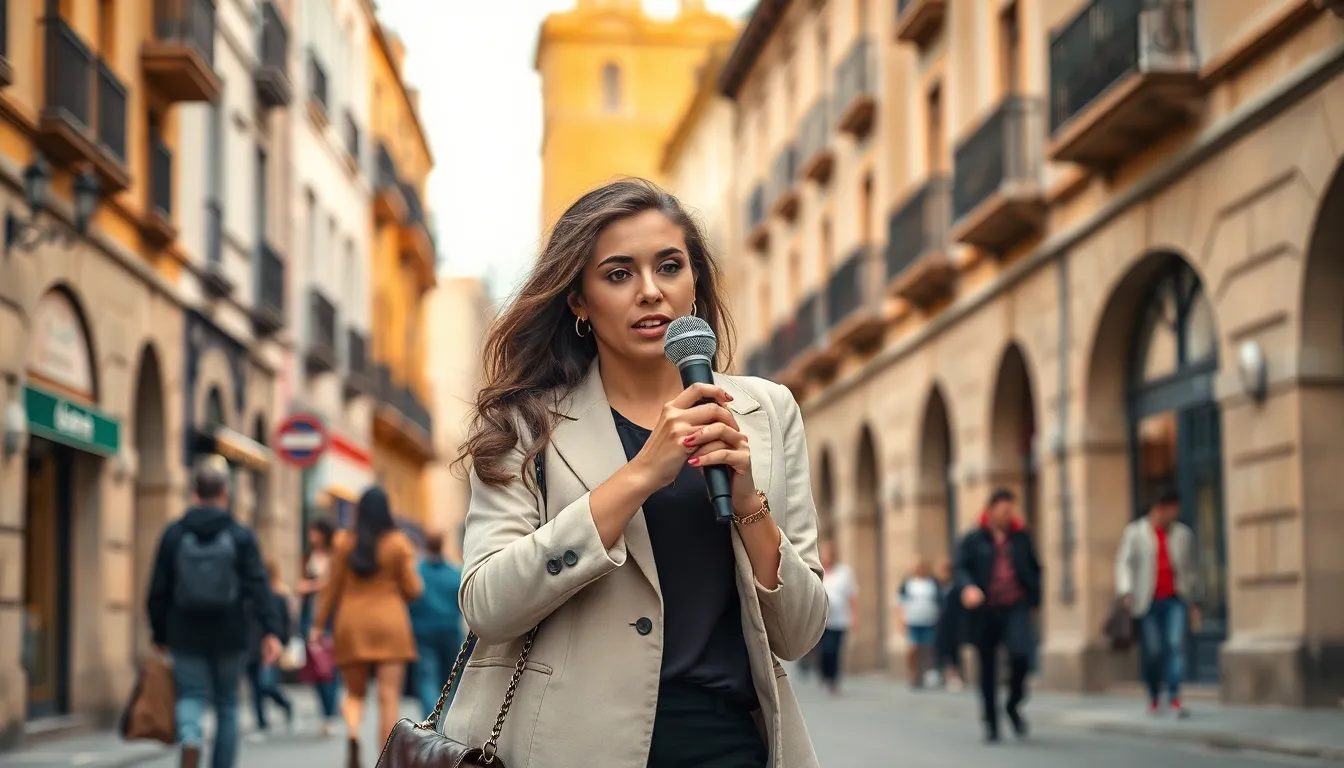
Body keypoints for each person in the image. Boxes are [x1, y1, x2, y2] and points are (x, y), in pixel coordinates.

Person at [444, 178, 828, 768]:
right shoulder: (525, 423)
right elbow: (488, 606)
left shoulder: (768, 412)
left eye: (669, 267)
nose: (651, 291)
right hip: (571, 748)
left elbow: (799, 633)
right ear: (579, 300)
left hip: (729, 745)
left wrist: (750, 504)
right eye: (619, 274)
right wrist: (641, 474)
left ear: (695, 283)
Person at [146, 454, 282, 768]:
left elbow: (157, 589)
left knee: (191, 695)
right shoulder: (240, 535)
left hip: (184, 632)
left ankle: (191, 740)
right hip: (230, 633)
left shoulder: (174, 533)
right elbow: (259, 585)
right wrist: (271, 630)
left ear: (194, 493)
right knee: (227, 704)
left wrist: (159, 633)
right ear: (225, 493)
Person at [312, 487, 424, 768]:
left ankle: (352, 731)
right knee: (388, 697)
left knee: (354, 693)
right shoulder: (398, 543)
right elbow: (413, 589)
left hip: (351, 624)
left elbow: (331, 588)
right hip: (390, 624)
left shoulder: (343, 542)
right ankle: (386, 760)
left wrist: (318, 625)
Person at [954, 488, 1042, 743]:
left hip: (1015, 606)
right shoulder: (974, 539)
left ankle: (1013, 703)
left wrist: (1034, 600)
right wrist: (968, 587)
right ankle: (991, 721)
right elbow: (961, 568)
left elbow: (1035, 569)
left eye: (1010, 510)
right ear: (991, 510)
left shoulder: (1021, 537)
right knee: (988, 667)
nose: (1007, 515)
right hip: (985, 609)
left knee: (1021, 655)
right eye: (1002, 510)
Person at [1115, 486, 1201, 717]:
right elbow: (1124, 563)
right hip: (1148, 601)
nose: (1174, 513)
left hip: (1175, 599)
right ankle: (1154, 695)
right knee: (1153, 651)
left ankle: (1174, 697)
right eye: (1171, 508)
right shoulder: (1136, 532)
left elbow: (1191, 569)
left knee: (1174, 645)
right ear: (1158, 509)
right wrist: (1126, 590)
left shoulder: (1183, 534)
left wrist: (1194, 601)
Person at [408, 529, 464, 717]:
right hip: (449, 629)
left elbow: (411, 599)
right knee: (451, 678)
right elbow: (461, 602)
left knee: (426, 677)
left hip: (422, 630)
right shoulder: (454, 572)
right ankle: (449, 718)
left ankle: (430, 719)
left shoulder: (417, 572)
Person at [296, 518, 340, 736]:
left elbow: (334, 585)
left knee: (329, 666)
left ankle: (330, 712)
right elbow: (301, 583)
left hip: (331, 616)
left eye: (314, 531)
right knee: (315, 665)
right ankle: (326, 710)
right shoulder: (308, 556)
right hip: (310, 615)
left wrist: (312, 585)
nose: (311, 536)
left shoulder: (336, 556)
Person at [245, 561, 294, 740]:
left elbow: (284, 622)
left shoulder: (278, 597)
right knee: (255, 688)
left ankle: (285, 704)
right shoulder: (248, 596)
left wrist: (283, 641)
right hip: (249, 647)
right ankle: (261, 723)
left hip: (268, 648)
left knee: (265, 684)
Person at [818, 539, 857, 695]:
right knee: (824, 650)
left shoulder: (844, 572)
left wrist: (854, 616)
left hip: (840, 619)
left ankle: (833, 679)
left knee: (835, 650)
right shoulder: (816, 571)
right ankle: (824, 675)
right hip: (821, 620)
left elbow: (852, 595)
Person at [897, 558, 940, 689]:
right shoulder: (908, 583)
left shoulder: (932, 583)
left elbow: (938, 600)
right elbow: (900, 603)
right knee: (913, 648)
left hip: (929, 620)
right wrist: (900, 620)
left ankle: (928, 673)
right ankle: (913, 673)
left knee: (929, 648)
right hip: (913, 620)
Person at [933, 559, 964, 691]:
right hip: (939, 621)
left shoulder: (956, 586)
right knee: (941, 648)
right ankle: (943, 673)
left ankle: (954, 675)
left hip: (954, 621)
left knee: (954, 648)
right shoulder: (935, 586)